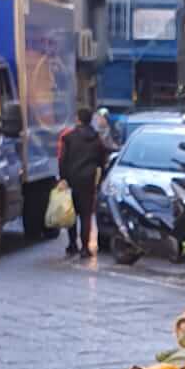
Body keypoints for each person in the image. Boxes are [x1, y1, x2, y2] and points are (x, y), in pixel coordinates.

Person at [58, 108, 110, 257]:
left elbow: (63, 160)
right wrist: (100, 179)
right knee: (86, 215)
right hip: (88, 181)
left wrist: (63, 178)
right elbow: (102, 160)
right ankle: (85, 248)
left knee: (71, 213)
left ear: (78, 119)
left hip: (72, 180)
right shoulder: (96, 139)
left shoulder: (69, 138)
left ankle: (72, 244)